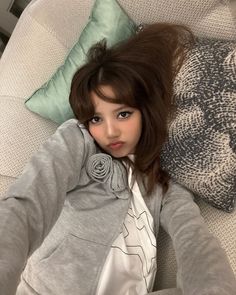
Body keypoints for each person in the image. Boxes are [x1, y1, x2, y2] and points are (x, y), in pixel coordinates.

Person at [0, 23, 235, 295]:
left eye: (123, 114)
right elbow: (28, 202)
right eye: (96, 118)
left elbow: (192, 236)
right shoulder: (78, 141)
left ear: (145, 112)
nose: (109, 131)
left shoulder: (167, 180)